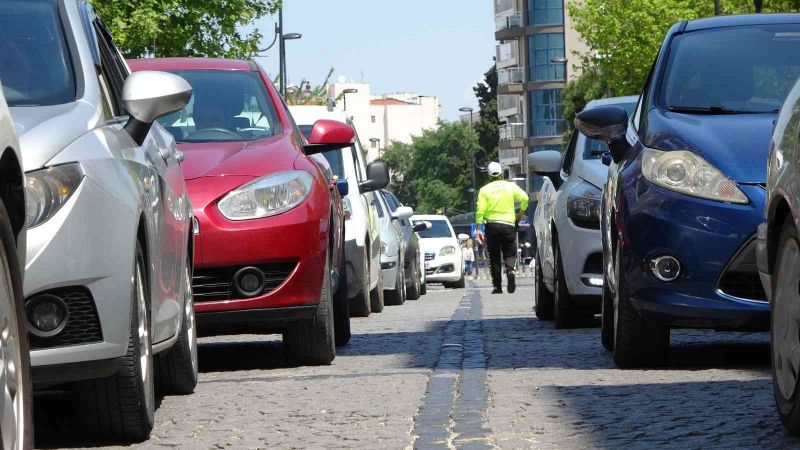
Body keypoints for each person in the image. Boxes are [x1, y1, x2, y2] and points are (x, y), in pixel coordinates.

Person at [475, 162, 529, 294]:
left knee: (494, 256)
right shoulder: (510, 186)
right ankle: (510, 270)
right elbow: (525, 198)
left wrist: (478, 228)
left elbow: (480, 210)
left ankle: (497, 286)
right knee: (509, 252)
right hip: (509, 224)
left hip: (492, 225)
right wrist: (520, 214)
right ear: (501, 174)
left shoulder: (484, 190)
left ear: (488, 175)